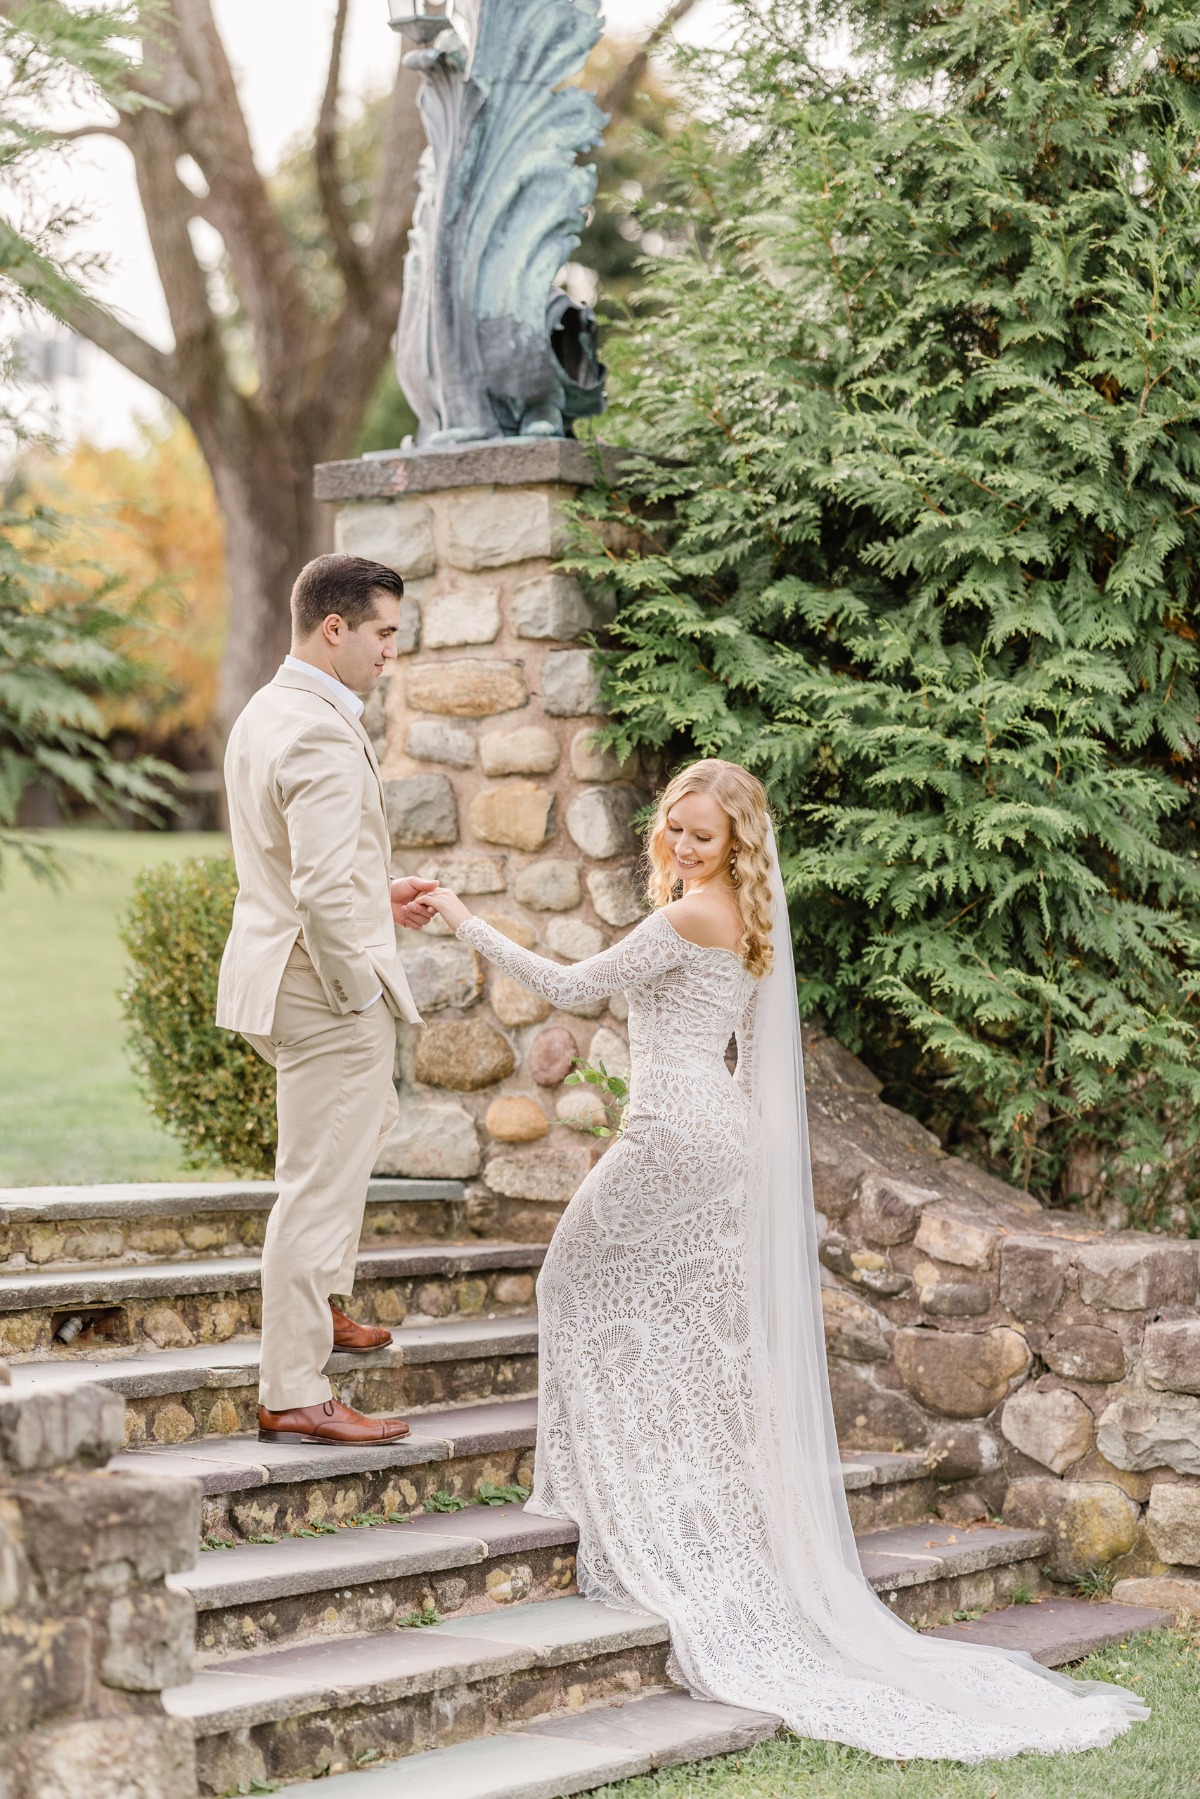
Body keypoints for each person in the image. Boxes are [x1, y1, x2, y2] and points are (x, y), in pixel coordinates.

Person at [424, 757, 1145, 1762]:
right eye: (673, 827)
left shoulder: (691, 915)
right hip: (717, 1140)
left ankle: (614, 1496)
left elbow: (573, 987)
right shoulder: (747, 916)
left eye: (700, 834)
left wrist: (463, 913)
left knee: (571, 1277)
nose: (679, 845)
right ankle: (641, 1480)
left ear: (736, 843)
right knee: (651, 1312)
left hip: (672, 1136)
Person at [217, 553, 438, 1447]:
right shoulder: (314, 729)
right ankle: (295, 1388)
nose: (393, 650)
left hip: (282, 966)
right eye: (384, 632)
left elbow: (297, 865)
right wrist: (356, 989)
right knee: (314, 1184)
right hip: (320, 985)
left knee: (361, 1124)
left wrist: (374, 899)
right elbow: (313, 884)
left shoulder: (268, 710)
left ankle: (324, 1306)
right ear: (334, 628)